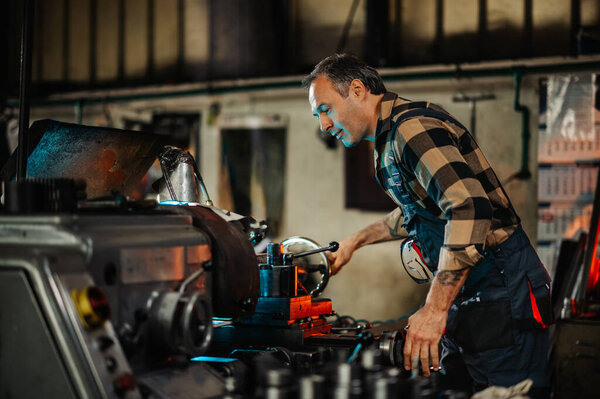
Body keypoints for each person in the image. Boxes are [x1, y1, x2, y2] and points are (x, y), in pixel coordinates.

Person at [302, 54, 552, 397]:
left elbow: (468, 208)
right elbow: (419, 211)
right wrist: (354, 241)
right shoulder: (388, 140)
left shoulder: (412, 129)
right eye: (318, 116)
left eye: (325, 110)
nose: (324, 126)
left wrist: (434, 310)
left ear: (357, 90)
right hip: (468, 292)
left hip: (500, 289)